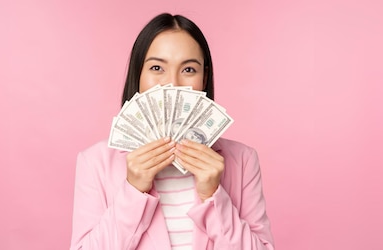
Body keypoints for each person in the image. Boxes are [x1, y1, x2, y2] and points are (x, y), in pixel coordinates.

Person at [70, 13, 274, 250]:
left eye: (188, 70)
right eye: (157, 67)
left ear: (204, 77)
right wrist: (133, 191)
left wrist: (214, 197)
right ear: (138, 75)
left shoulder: (242, 161)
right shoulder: (94, 163)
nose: (172, 84)